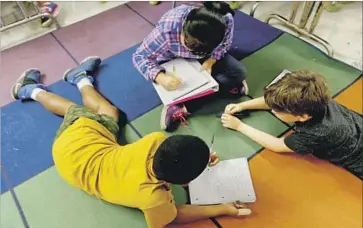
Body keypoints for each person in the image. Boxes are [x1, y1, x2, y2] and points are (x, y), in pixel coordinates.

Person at [11, 56, 252, 227]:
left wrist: (196, 161)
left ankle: (76, 80)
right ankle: (32, 89)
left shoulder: (155, 140)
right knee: (84, 109)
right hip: (76, 147)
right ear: (185, 181)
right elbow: (175, 216)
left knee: (107, 113)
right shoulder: (153, 198)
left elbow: (173, 157)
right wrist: (224, 208)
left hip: (77, 149)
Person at [221, 70, 363, 179]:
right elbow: (274, 101)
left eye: (278, 111)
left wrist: (239, 126)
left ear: (303, 117)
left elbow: (277, 145)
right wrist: (243, 106)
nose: (273, 111)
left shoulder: (316, 132)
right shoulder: (315, 99)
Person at [133, 2, 248, 132]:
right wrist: (160, 77)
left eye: (202, 49)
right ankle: (183, 106)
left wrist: (210, 61)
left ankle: (192, 99)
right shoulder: (168, 29)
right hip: (172, 59)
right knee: (225, 80)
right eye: (189, 45)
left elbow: (224, 45)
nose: (193, 52)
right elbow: (140, 56)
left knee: (239, 72)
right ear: (183, 30)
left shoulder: (224, 19)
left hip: (206, 60)